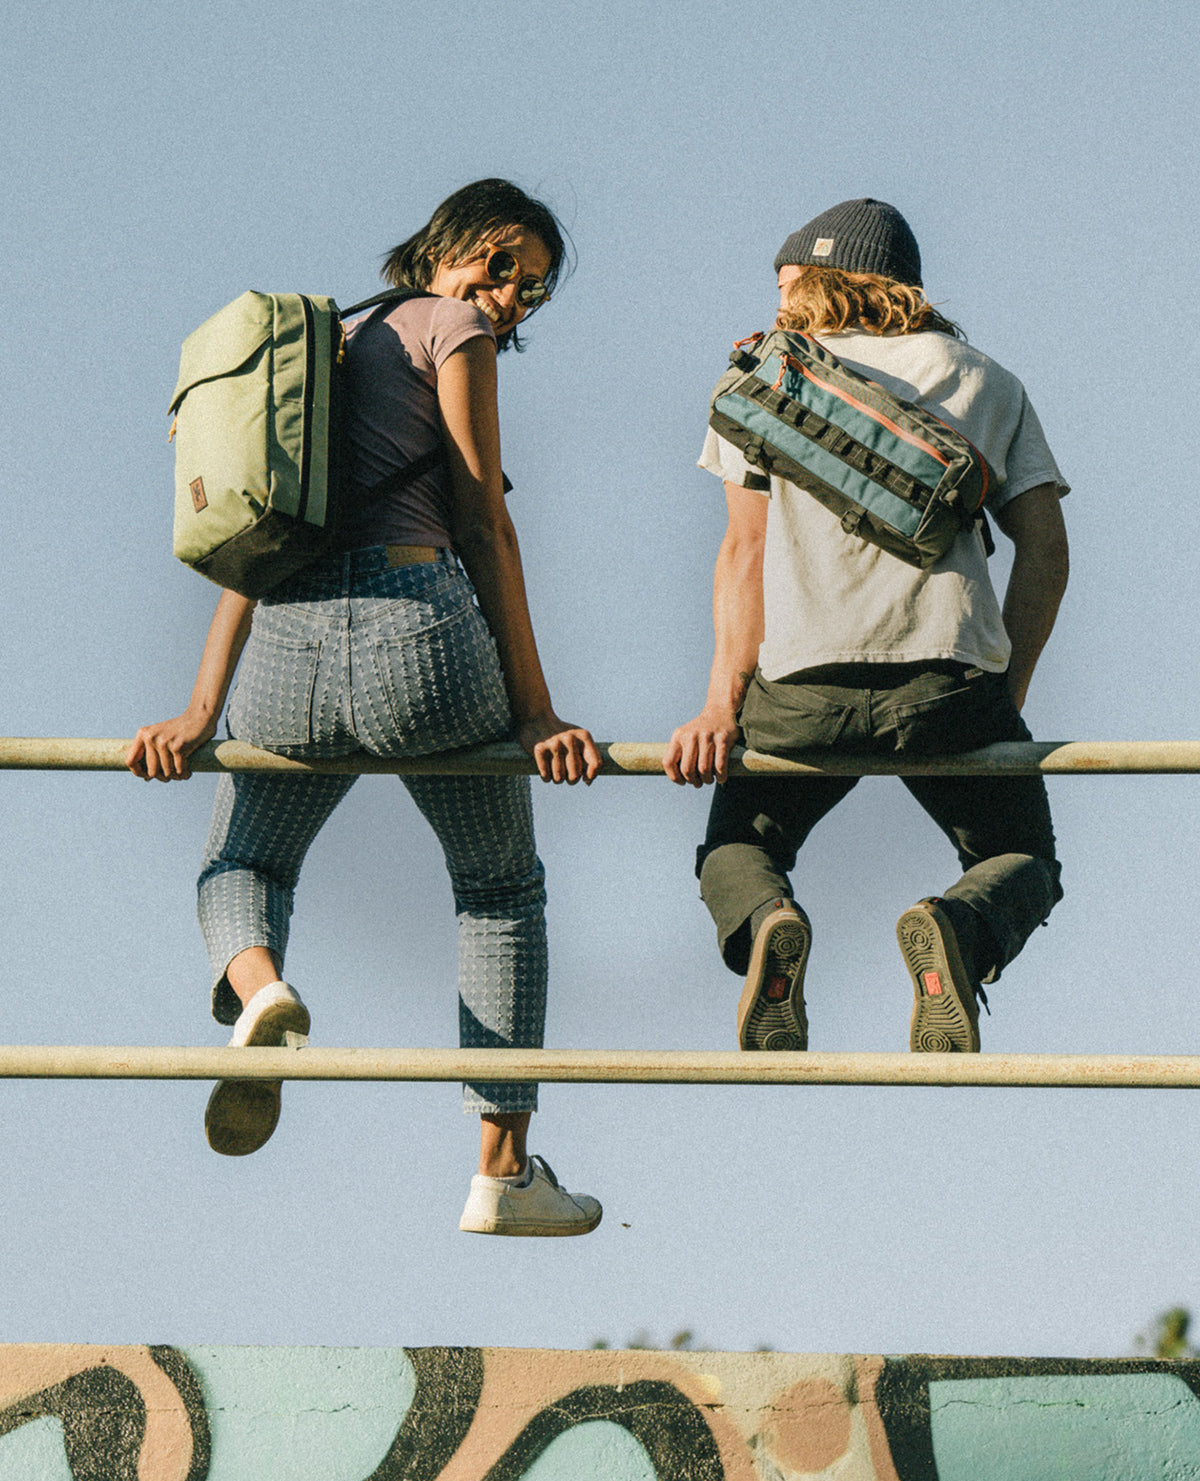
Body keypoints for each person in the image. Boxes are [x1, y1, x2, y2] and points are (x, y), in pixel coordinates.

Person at [127, 179, 603, 1236]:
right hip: (419, 641)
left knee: (243, 863)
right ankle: (503, 1170)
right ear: (457, 246)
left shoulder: (316, 343)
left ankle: (257, 993)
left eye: (534, 286)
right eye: (510, 262)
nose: (514, 292)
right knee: (497, 890)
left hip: (287, 652)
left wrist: (201, 709)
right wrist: (537, 711)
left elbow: (259, 538)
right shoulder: (456, 327)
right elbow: (483, 524)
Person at [665, 199, 1069, 1054]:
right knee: (1021, 855)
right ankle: (958, 930)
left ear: (828, 281)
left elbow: (743, 553)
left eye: (788, 283)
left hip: (803, 685)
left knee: (737, 845)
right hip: (948, 686)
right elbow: (1047, 552)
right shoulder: (987, 379)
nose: (778, 302)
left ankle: (770, 921)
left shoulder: (763, 381)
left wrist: (716, 707)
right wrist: (1004, 690)